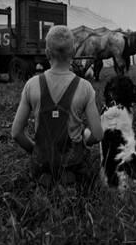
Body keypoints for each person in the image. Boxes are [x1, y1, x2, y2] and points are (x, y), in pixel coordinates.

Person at [11, 25, 103, 187]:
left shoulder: (31, 85)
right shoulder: (85, 87)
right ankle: (70, 180)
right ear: (73, 52)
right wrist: (85, 138)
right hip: (74, 163)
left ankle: (45, 177)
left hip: (42, 161)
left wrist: (35, 151)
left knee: (41, 174)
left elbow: (16, 133)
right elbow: (97, 134)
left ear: (47, 53)